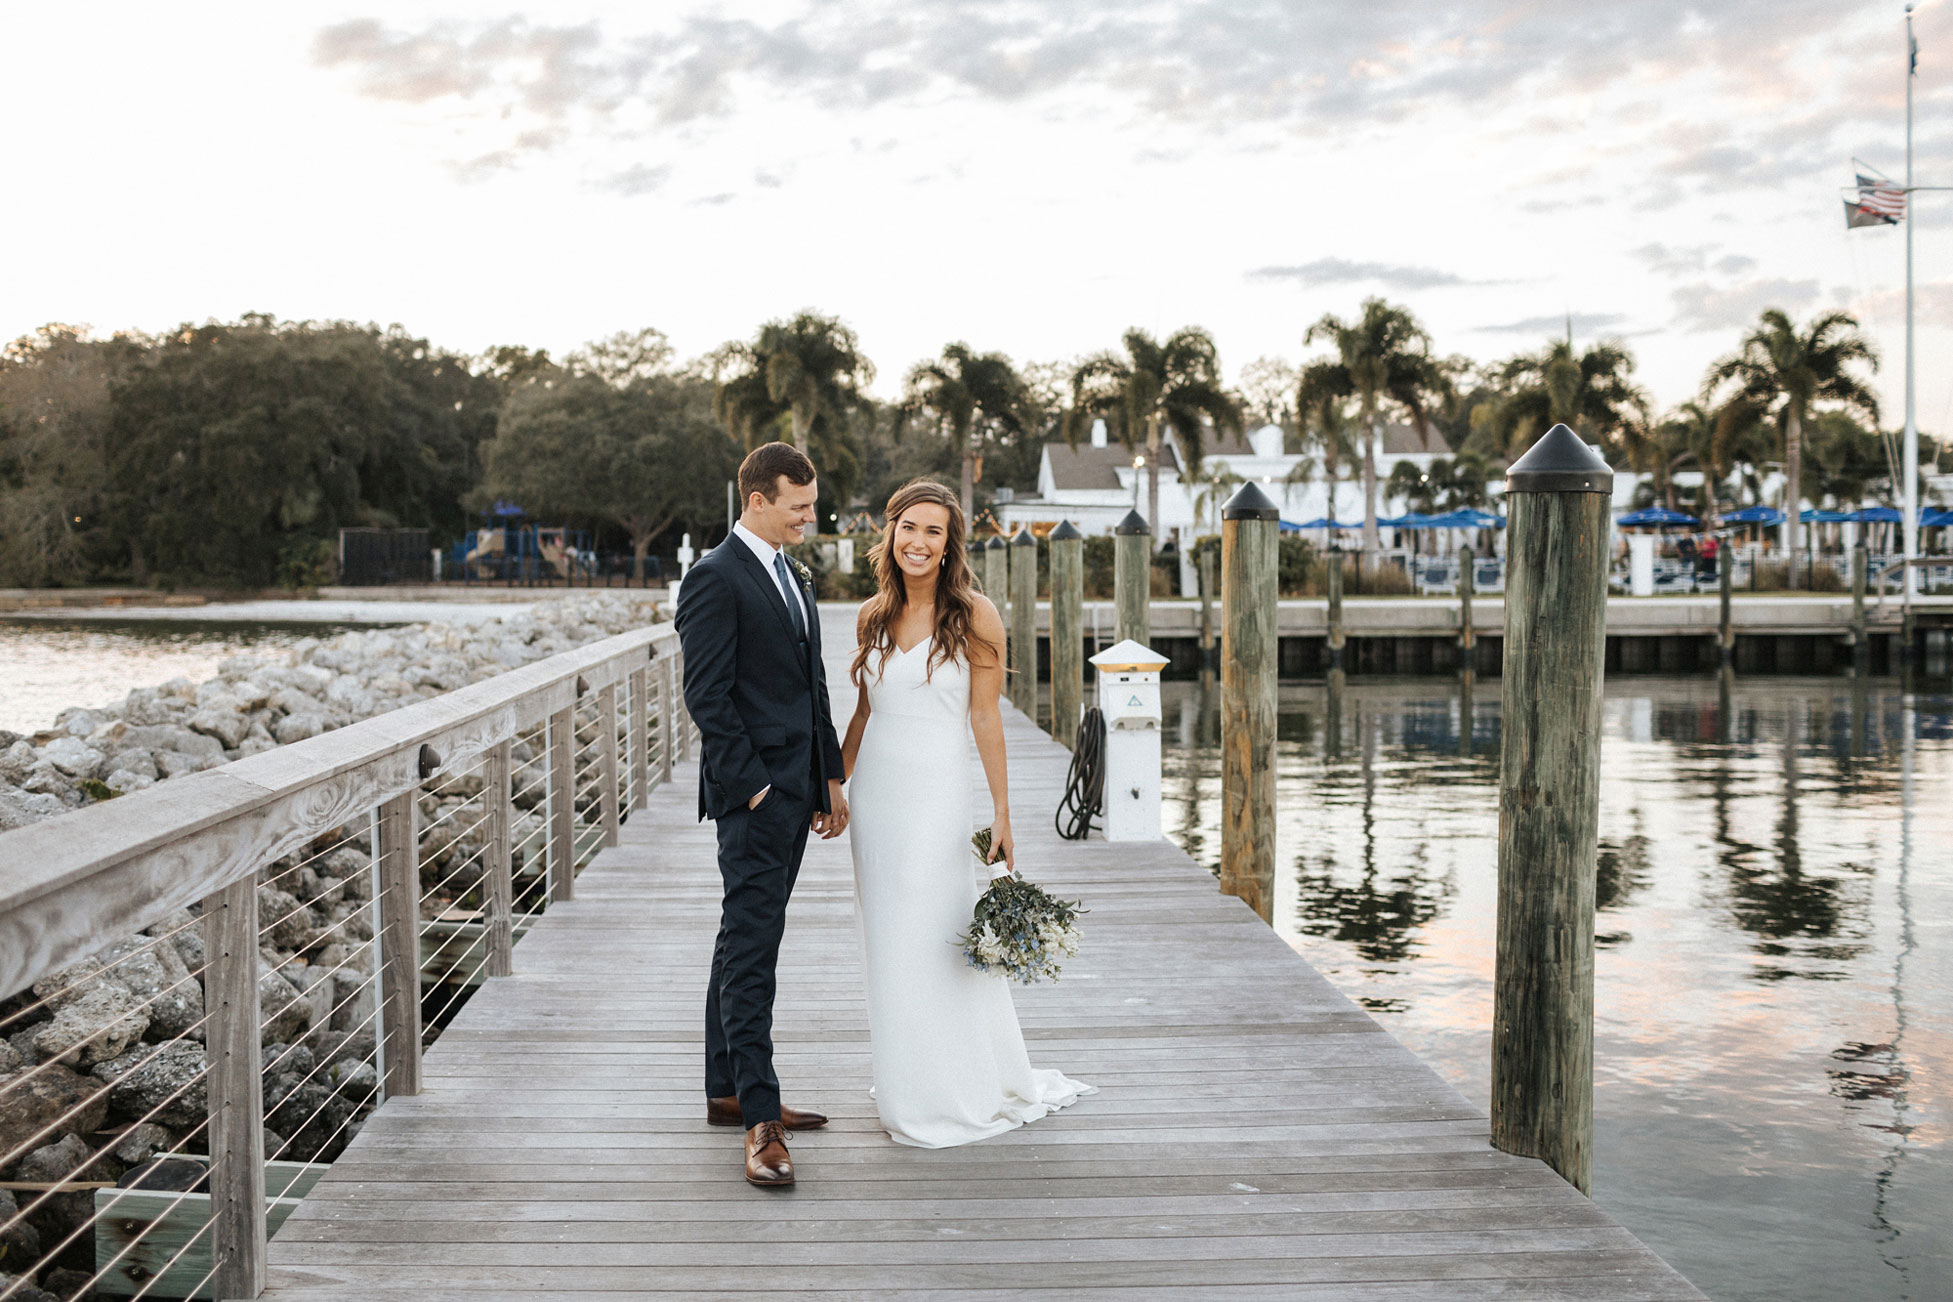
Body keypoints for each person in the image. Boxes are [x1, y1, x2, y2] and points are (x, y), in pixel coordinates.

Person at [840, 479, 1094, 1148]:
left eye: (934, 532)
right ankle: (907, 1077)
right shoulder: (869, 615)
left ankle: (954, 1083)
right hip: (875, 800)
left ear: (950, 545)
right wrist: (833, 785)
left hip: (936, 795)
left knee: (937, 934)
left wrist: (1003, 810)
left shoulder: (975, 614)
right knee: (890, 942)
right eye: (908, 528)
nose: (918, 542)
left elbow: (985, 714)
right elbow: (863, 713)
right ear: (889, 533)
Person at [674, 441, 848, 1189]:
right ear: (757, 501)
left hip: (797, 788)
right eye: (799, 506)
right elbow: (706, 696)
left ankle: (727, 1089)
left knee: (743, 935)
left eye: (812, 505)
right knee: (752, 950)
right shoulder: (714, 578)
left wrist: (829, 777)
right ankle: (761, 1121)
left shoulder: (789, 573)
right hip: (755, 801)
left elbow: (810, 684)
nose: (812, 516)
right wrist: (755, 793)